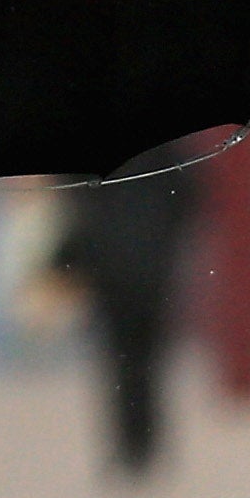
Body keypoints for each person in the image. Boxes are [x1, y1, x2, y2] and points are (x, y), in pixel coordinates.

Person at [50, 158, 200, 481]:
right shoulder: (165, 142)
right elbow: (190, 196)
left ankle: (129, 444)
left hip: (110, 265)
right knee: (148, 359)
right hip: (152, 263)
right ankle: (145, 443)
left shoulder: (89, 143)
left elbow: (72, 198)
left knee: (120, 359)